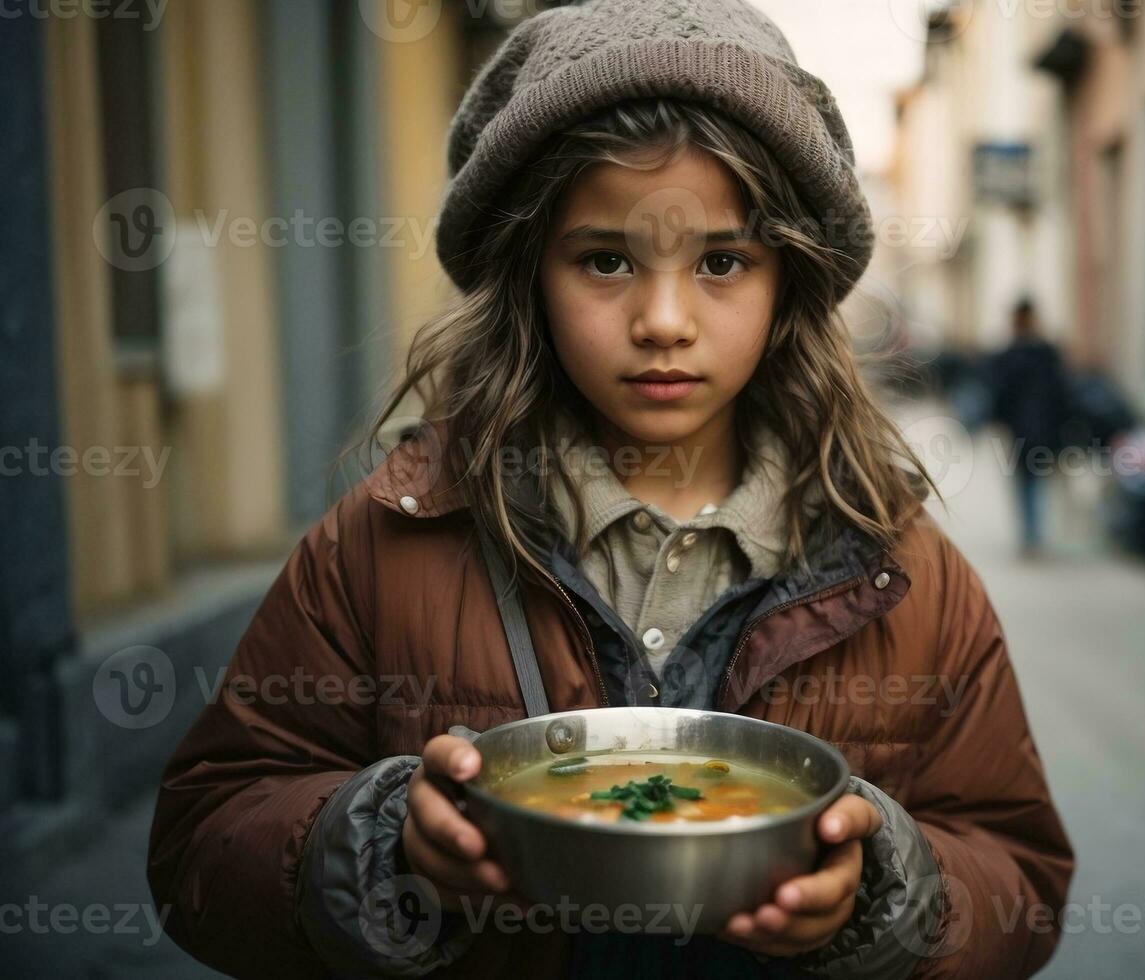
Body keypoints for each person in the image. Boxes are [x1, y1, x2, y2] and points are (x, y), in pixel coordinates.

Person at [146, 2, 1073, 977]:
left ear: (789, 280)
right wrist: (383, 849)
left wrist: (885, 890)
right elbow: (202, 837)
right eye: (606, 259)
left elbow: (1018, 873)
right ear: (528, 274)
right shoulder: (383, 545)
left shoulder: (904, 571)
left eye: (721, 260)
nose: (663, 320)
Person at [990, 299, 1070, 557]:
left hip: (1026, 432)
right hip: (1038, 431)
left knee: (1027, 484)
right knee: (1032, 483)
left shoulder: (1013, 355)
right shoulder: (1044, 354)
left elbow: (999, 396)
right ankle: (1033, 536)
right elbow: (1062, 395)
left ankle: (1031, 536)